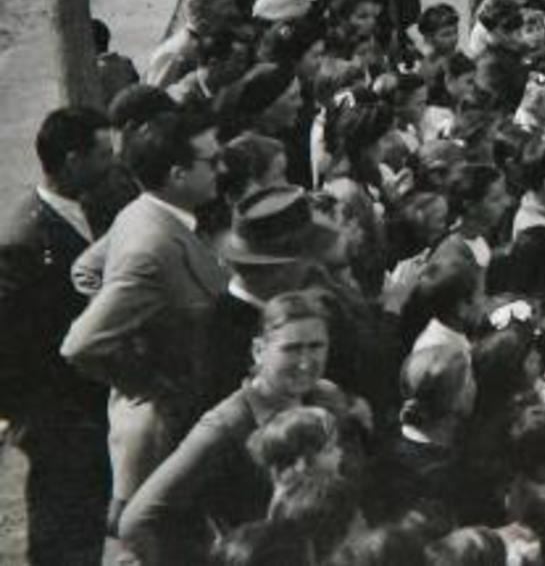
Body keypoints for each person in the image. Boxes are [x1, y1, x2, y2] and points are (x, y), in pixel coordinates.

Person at [61, 108, 228, 531]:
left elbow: (86, 268)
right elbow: (81, 344)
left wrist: (140, 325)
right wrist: (145, 381)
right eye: (211, 161)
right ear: (177, 174)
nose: (220, 168)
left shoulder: (142, 213)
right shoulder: (151, 246)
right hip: (166, 434)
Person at [118, 291, 351, 564]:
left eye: (316, 346)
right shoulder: (227, 424)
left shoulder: (327, 398)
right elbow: (138, 522)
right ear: (259, 351)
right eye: (291, 348)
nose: (305, 362)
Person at [0, 107, 116, 566]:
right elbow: (9, 345)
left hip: (85, 405)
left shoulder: (90, 207)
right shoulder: (24, 242)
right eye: (103, 154)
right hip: (58, 418)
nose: (112, 163)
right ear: (73, 160)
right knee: (63, 533)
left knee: (86, 526)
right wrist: (32, 420)